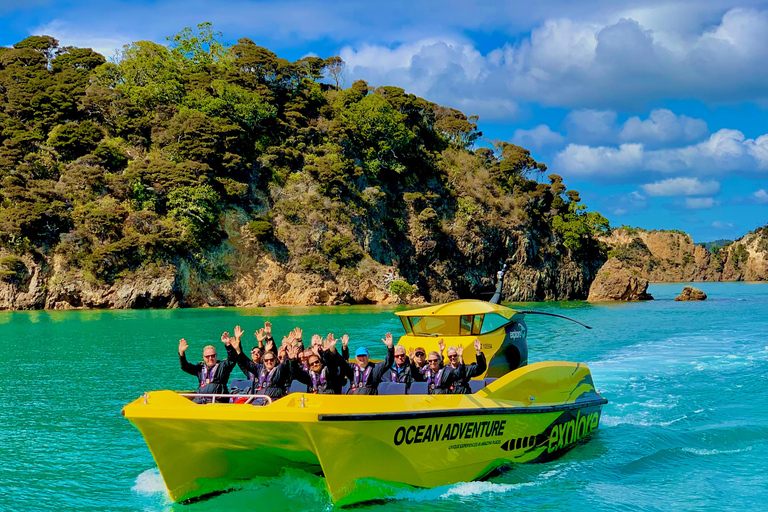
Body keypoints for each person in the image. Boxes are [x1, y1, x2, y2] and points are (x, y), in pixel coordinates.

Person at [229, 325, 295, 400]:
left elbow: (287, 362)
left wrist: (288, 346)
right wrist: (237, 348)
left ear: (275, 360)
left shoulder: (280, 369)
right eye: (266, 360)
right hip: (261, 398)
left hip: (275, 398)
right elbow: (245, 362)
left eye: (271, 360)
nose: (269, 362)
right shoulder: (259, 369)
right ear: (263, 361)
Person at [178, 333, 238, 403]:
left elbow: (232, 360)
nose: (210, 358)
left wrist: (228, 345)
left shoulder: (223, 366)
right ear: (204, 357)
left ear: (216, 356)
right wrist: (181, 353)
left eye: (213, 356)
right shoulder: (200, 368)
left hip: (217, 400)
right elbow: (185, 367)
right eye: (207, 357)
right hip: (200, 400)